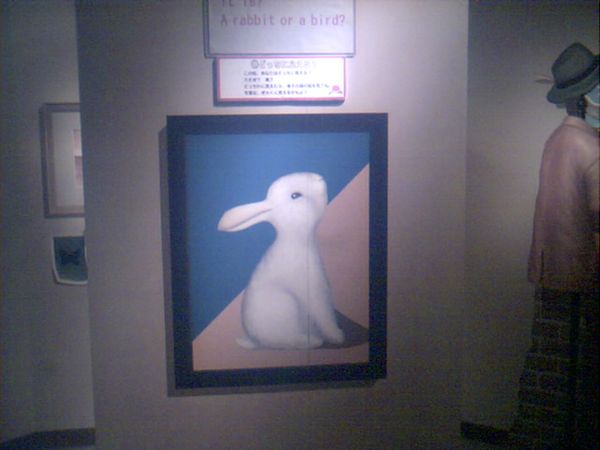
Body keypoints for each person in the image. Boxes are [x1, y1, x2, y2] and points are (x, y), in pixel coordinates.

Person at [510, 42, 599, 449]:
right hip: (581, 274)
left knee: (547, 364)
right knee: (577, 375)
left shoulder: (557, 139)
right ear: (586, 95)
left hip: (550, 268)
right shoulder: (591, 147)